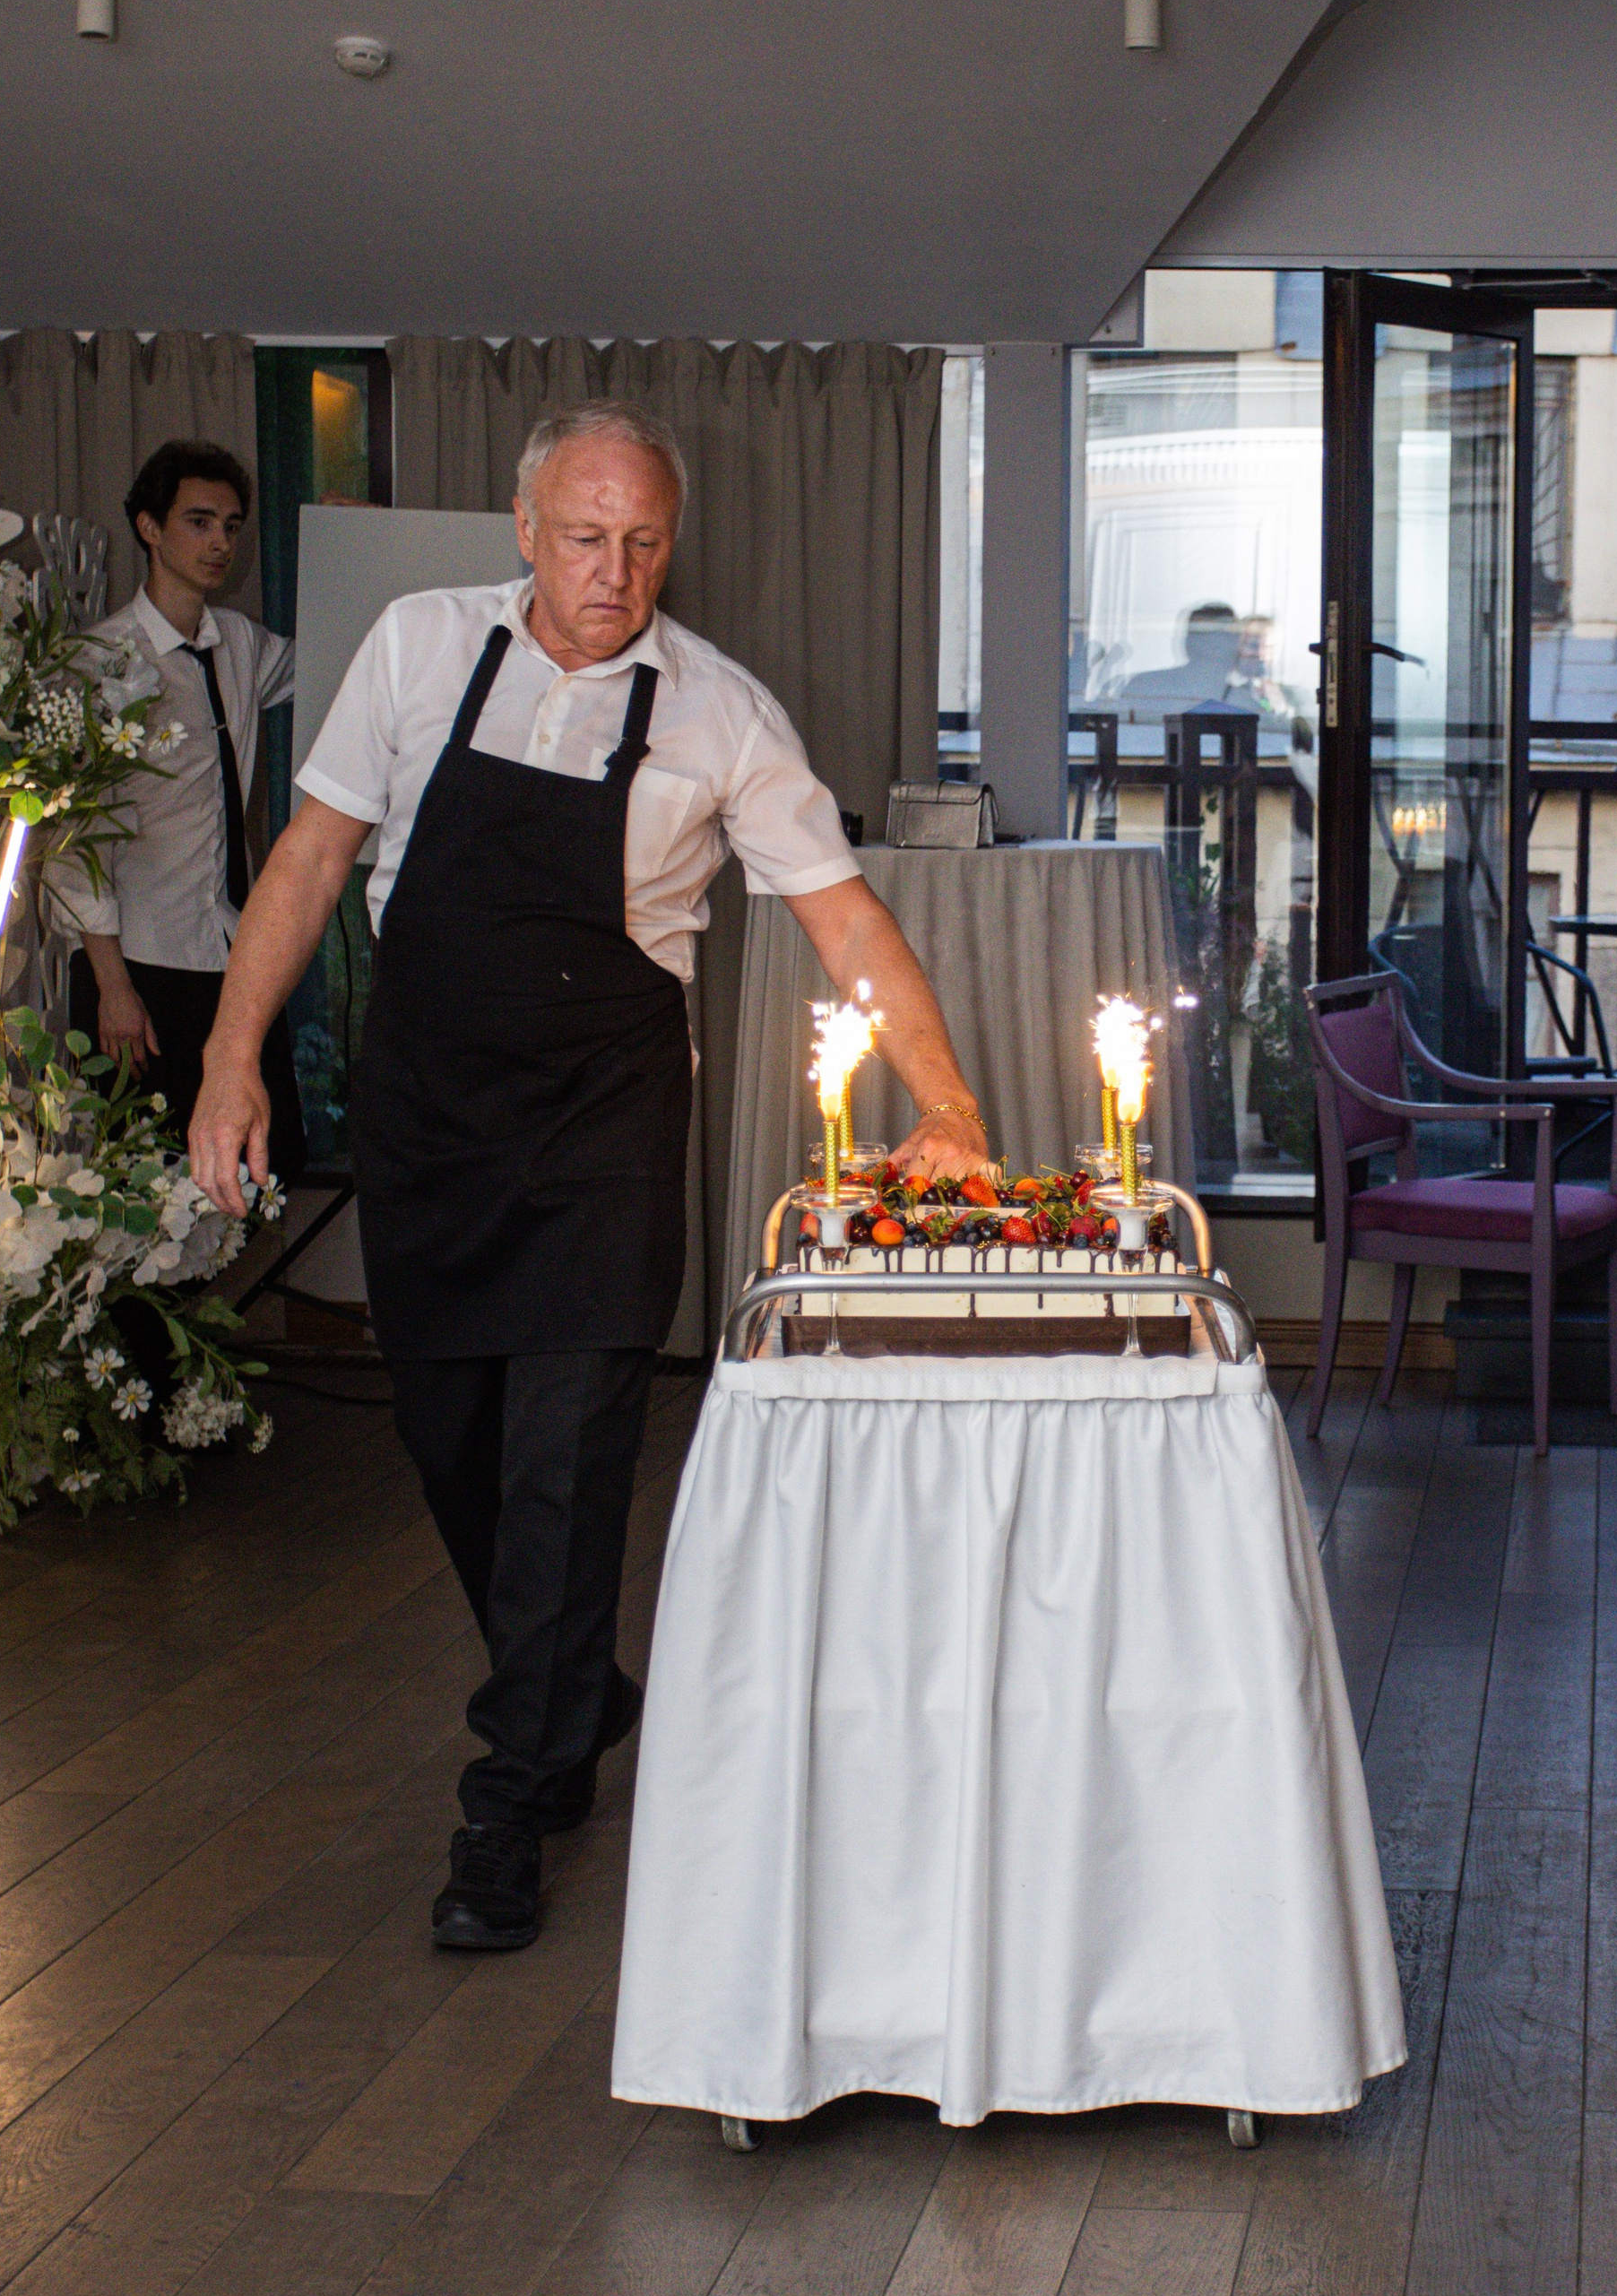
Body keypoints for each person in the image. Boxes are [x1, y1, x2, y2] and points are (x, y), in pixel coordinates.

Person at [189, 400, 991, 1957]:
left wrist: (948, 1101)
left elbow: (846, 921)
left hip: (606, 1129)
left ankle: (507, 1805)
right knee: (454, 1445)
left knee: (566, 1464)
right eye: (583, 535)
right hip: (431, 1114)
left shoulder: (720, 711)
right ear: (523, 526)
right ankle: (574, 1693)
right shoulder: (422, 648)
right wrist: (232, 1057)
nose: (614, 570)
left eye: (642, 541)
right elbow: (306, 857)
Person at [57, 441, 309, 1182]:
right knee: (141, 1190)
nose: (220, 543)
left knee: (249, 1179)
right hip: (139, 963)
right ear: (149, 528)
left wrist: (344, 543)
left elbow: (337, 660)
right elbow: (73, 839)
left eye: (231, 526)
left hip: (231, 953)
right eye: (199, 522)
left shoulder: (239, 642)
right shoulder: (96, 662)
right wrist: (113, 986)